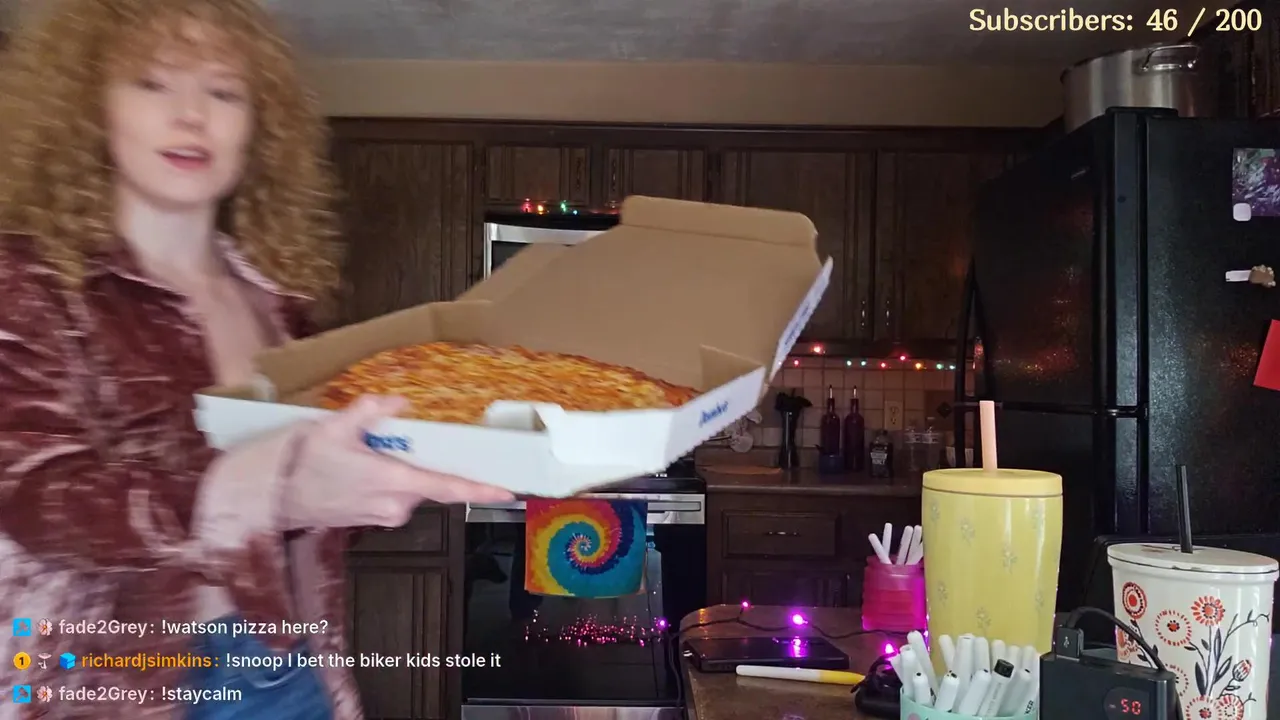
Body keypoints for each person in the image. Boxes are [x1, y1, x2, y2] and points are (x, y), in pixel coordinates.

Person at [0, 1, 513, 718]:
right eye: (152, 83)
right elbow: (38, 499)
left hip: (290, 669)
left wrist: (407, 465)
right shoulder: (26, 282)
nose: (191, 116)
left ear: (258, 123)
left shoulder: (278, 304)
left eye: (223, 91)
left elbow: (308, 518)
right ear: (88, 105)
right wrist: (277, 489)